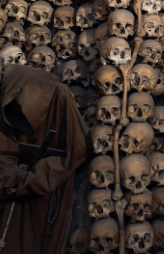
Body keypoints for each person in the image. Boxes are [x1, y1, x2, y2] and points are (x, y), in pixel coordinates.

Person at [0, 64, 89, 254]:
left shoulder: (60, 97)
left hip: (53, 191)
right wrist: (18, 178)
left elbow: (77, 148)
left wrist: (41, 172)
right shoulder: (6, 107)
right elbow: (4, 156)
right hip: (16, 196)